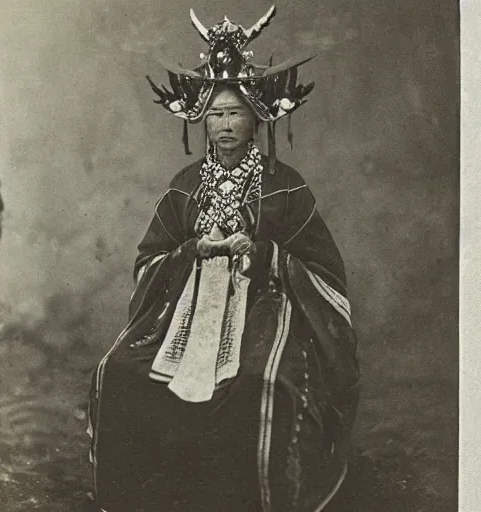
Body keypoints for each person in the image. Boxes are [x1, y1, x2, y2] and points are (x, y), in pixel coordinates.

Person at [87, 7, 360, 512]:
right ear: (201, 120)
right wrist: (195, 251)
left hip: (266, 307)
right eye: (215, 113)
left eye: (235, 112)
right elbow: (149, 260)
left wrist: (263, 254)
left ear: (256, 117)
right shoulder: (185, 186)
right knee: (118, 372)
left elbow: (325, 273)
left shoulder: (285, 185)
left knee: (265, 384)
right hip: (184, 312)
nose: (225, 125)